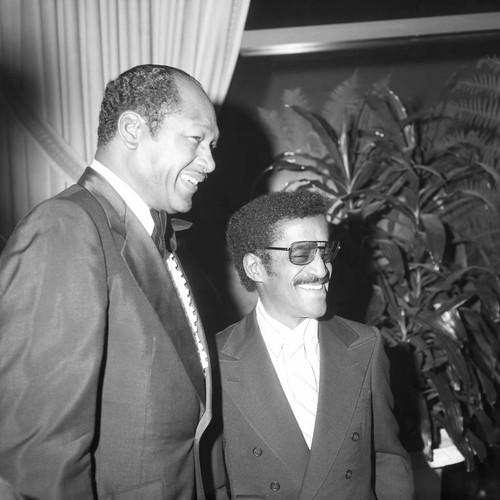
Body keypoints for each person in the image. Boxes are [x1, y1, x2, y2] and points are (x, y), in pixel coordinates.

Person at [0, 64, 223, 499]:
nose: (211, 162)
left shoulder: (150, 235)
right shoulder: (65, 228)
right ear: (133, 129)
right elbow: (42, 457)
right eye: (197, 140)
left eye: (213, 146)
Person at [216, 190, 414, 499]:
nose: (322, 270)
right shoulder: (213, 364)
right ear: (256, 268)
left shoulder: (365, 345)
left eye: (325, 251)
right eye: (302, 253)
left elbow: (387, 458)